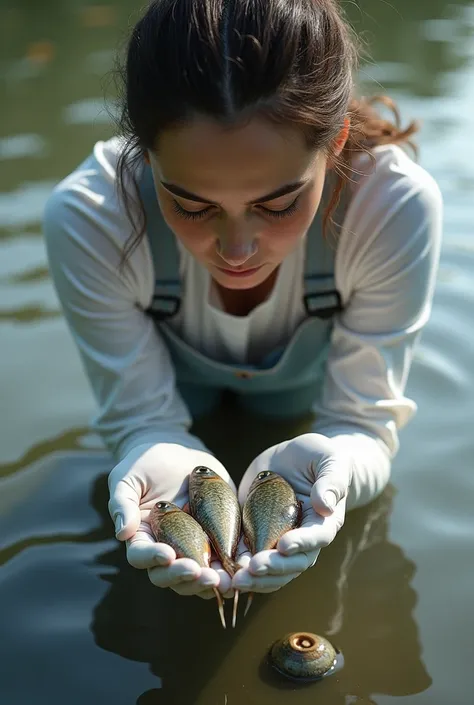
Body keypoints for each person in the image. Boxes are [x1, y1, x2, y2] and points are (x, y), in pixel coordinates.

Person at [43, 0, 442, 604]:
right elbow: (141, 419)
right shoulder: (89, 217)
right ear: (145, 153)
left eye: (279, 204)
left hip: (294, 410)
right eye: (191, 205)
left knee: (286, 420)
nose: (236, 249)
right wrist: (150, 446)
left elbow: (363, 425)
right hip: (183, 393)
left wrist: (333, 471)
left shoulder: (394, 207)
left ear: (334, 142)